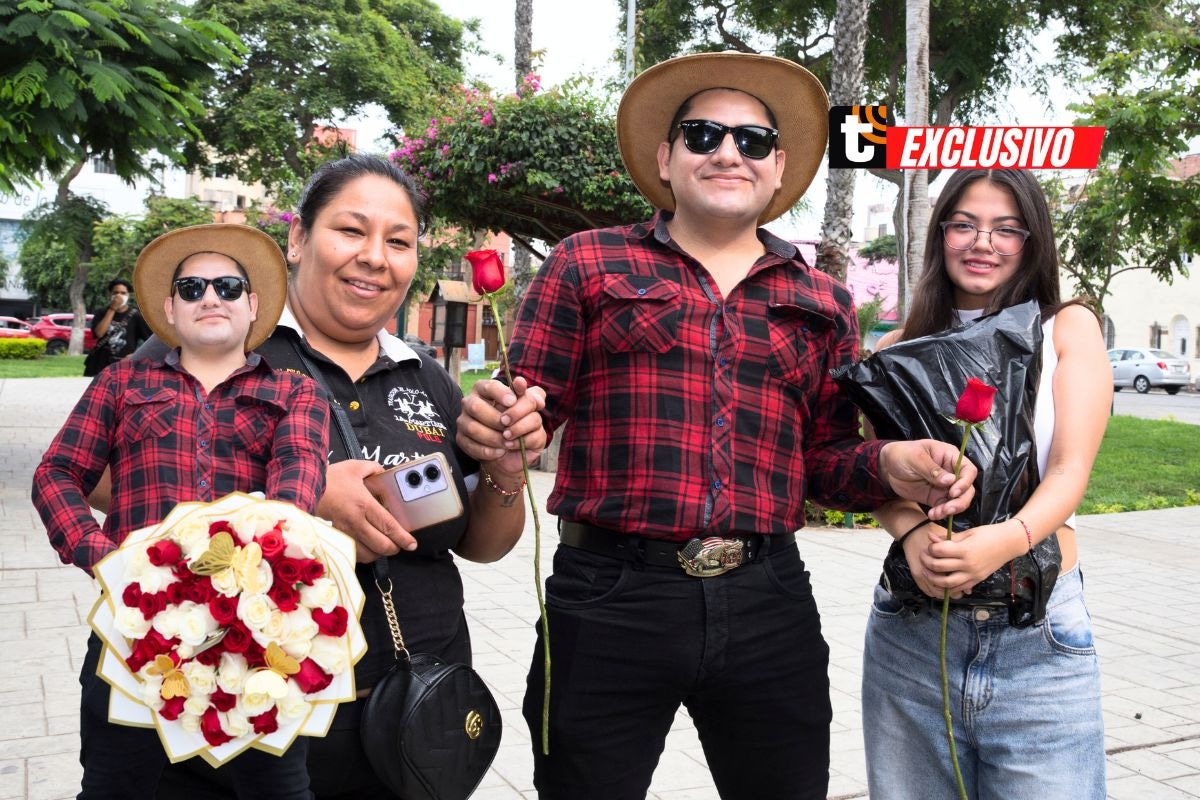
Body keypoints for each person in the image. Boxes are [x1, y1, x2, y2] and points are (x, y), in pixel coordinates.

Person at [455, 51, 979, 800]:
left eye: (753, 140)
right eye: (702, 135)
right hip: (609, 596)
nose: (728, 151)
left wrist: (891, 463)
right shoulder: (585, 263)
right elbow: (524, 408)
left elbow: (827, 460)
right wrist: (500, 428)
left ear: (778, 166)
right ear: (666, 159)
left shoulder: (823, 300)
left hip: (769, 598)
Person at [135, 154, 545, 799]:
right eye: (351, 231)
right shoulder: (214, 342)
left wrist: (502, 472)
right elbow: (107, 479)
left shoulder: (426, 376)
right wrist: (301, 497)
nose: (375, 257)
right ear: (298, 240)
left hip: (408, 709)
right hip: (248, 708)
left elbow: (482, 545)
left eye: (399, 241)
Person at [32, 223, 331, 799]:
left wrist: (246, 566)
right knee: (115, 786)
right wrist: (106, 560)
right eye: (191, 288)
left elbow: (296, 485)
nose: (210, 297)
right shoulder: (120, 383)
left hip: (256, 639)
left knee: (278, 790)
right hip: (132, 631)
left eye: (227, 286)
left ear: (254, 304)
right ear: (170, 308)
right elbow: (56, 473)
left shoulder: (295, 393)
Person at [860, 169, 1111, 799]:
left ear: (1032, 241)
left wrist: (1006, 540)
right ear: (940, 233)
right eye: (965, 225)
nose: (983, 242)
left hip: (1037, 633)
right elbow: (880, 479)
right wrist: (913, 531)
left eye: (1006, 229)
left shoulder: (1067, 328)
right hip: (912, 634)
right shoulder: (897, 345)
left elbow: (1069, 471)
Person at [83, 277, 153, 376]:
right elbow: (99, 333)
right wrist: (112, 309)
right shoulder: (101, 313)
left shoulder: (136, 316)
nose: (119, 296)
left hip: (124, 366)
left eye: (123, 293)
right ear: (110, 295)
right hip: (100, 364)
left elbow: (150, 340)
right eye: (115, 292)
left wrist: (136, 355)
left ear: (128, 295)